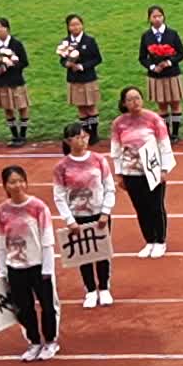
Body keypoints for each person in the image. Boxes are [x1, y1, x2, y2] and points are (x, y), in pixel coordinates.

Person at [0, 165, 60, 362]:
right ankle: (33, 342)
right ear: (5, 185)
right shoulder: (2, 211)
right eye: (12, 182)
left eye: (20, 181)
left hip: (39, 266)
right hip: (15, 267)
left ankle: (50, 341)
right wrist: (2, 270)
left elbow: (47, 238)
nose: (17, 185)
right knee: (23, 308)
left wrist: (47, 268)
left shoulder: (38, 207)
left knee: (48, 306)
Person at [53, 122, 116, 309]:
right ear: (68, 141)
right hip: (77, 216)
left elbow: (109, 188)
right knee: (83, 255)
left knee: (102, 253)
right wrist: (69, 220)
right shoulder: (62, 166)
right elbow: (59, 195)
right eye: (78, 137)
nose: (83, 140)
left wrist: (105, 212)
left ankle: (104, 288)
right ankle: (90, 289)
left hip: (99, 214)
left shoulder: (99, 160)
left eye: (85, 136)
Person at [109, 86, 175, 259]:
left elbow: (164, 145)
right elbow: (116, 150)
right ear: (124, 103)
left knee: (156, 206)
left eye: (137, 98)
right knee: (141, 208)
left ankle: (160, 241)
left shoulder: (153, 119)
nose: (135, 102)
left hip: (152, 169)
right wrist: (119, 173)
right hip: (131, 171)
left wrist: (164, 169)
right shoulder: (119, 123)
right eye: (130, 99)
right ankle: (149, 240)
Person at [138, 5, 183, 142]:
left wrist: (169, 62)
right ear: (149, 19)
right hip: (156, 75)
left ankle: (175, 133)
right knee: (162, 104)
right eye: (154, 16)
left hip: (172, 73)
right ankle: (165, 132)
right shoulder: (146, 36)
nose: (157, 19)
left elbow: (181, 53)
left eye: (160, 16)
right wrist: (153, 66)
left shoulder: (172, 34)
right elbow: (142, 57)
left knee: (175, 103)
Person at [0, 17, 32, 148]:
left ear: (7, 28)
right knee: (7, 108)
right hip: (1, 81)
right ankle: (14, 135)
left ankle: (23, 135)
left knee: (22, 106)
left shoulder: (16, 44)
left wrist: (12, 65)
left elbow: (24, 62)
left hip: (15, 80)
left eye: (2, 27)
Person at [59, 14, 103, 144]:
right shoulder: (65, 42)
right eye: (72, 25)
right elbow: (62, 59)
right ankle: (85, 132)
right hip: (74, 78)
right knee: (81, 107)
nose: (75, 27)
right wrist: (66, 63)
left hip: (88, 77)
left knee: (91, 106)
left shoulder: (89, 41)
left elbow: (97, 58)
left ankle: (94, 134)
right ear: (68, 27)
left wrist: (82, 66)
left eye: (77, 24)